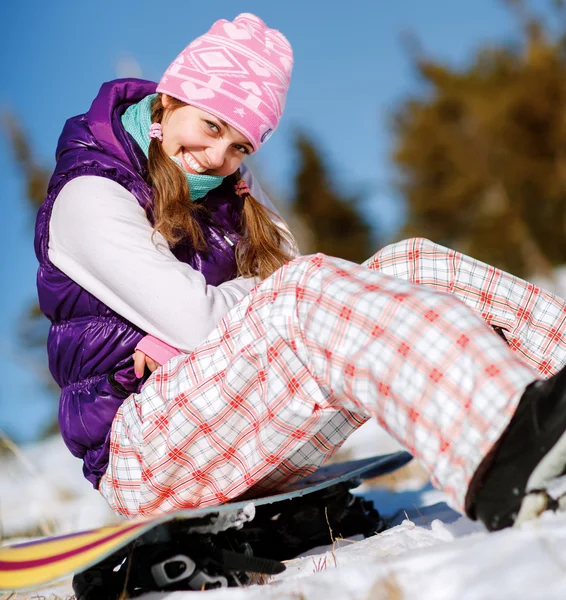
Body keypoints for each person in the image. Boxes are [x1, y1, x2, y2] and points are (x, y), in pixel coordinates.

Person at [35, 13, 566, 534]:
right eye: (211, 125)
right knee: (300, 292)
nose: (217, 156)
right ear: (170, 99)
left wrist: (213, 316)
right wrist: (206, 322)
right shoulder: (90, 196)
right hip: (144, 454)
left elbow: (281, 288)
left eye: (241, 146)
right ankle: (503, 455)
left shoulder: (234, 192)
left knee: (410, 263)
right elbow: (206, 320)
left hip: (233, 423)